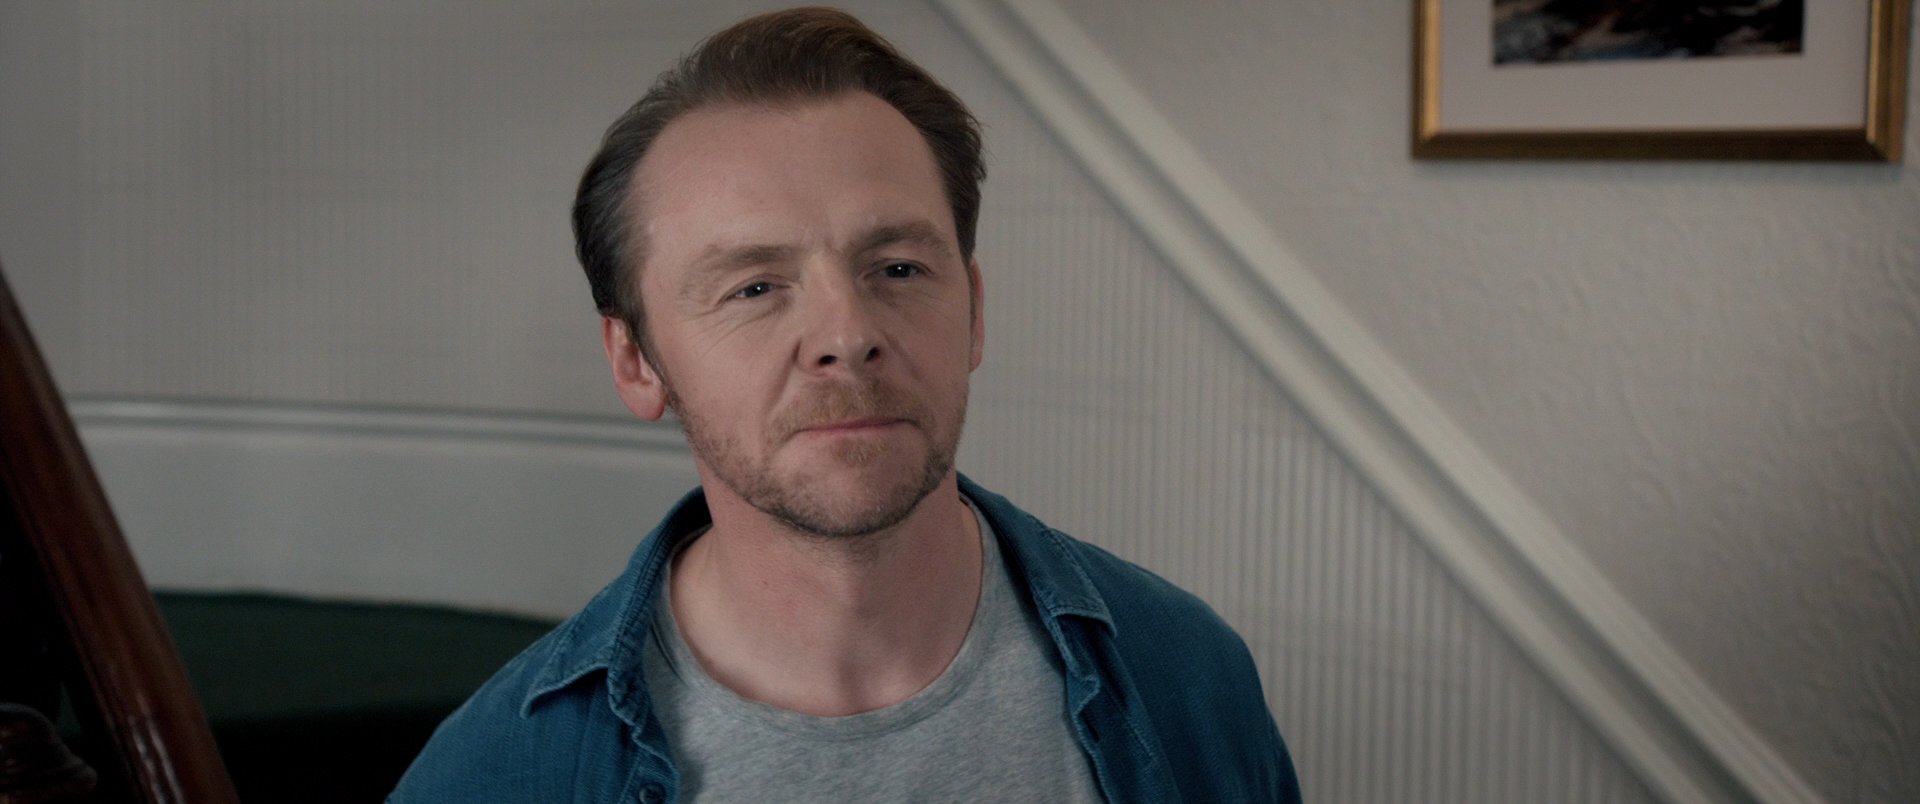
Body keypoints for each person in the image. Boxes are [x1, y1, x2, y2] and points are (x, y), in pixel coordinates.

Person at [390, 7, 1299, 803]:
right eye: (754, 287)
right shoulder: (498, 774)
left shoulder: (1187, 675)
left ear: (975, 312)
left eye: (897, 268)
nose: (847, 332)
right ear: (636, 361)